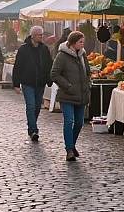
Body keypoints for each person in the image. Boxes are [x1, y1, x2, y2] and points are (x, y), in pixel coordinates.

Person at [51, 31, 91, 162]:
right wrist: (67, 86)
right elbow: (54, 74)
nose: (82, 44)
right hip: (67, 95)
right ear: (73, 43)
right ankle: (69, 150)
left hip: (81, 95)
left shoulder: (82, 55)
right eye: (80, 42)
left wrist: (87, 84)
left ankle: (72, 145)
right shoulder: (62, 56)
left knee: (79, 123)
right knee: (69, 121)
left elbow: (87, 72)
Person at [13, 26, 53, 142]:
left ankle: (31, 124)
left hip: (40, 83)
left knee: (37, 107)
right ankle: (33, 130)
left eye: (42, 35)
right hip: (27, 82)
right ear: (33, 36)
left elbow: (49, 65)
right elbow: (17, 67)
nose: (42, 37)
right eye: (40, 35)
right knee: (30, 106)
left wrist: (49, 80)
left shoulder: (44, 49)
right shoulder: (23, 49)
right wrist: (16, 84)